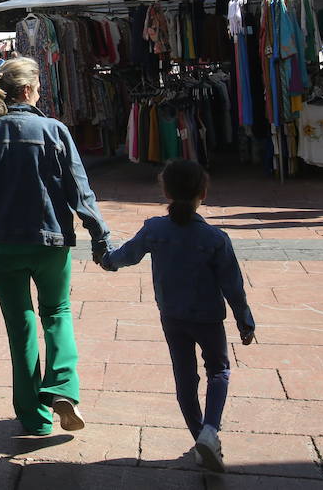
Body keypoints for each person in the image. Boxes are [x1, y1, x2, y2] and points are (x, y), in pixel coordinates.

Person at [0, 57, 111, 437]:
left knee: (19, 324)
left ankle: (34, 418)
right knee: (57, 312)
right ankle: (62, 388)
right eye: (38, 87)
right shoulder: (54, 130)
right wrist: (99, 235)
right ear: (27, 90)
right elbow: (80, 191)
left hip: (0, 241)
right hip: (50, 239)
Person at [100, 160, 256, 473]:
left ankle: (200, 435)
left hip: (172, 315)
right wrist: (244, 319)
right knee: (218, 370)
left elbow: (125, 256)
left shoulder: (154, 229)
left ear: (166, 191)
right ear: (204, 192)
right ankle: (210, 431)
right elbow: (233, 286)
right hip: (209, 317)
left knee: (185, 378)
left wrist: (107, 260)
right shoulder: (215, 239)